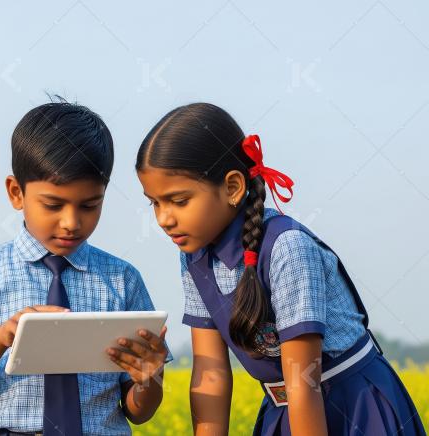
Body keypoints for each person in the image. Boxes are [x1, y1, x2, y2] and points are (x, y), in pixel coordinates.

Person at [135, 102, 425, 435]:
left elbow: (304, 382)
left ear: (232, 187)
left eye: (179, 200)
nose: (163, 219)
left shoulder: (287, 247)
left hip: (354, 407)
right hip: (286, 408)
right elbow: (211, 374)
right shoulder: (193, 255)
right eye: (154, 202)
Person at [0, 99, 173, 435]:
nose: (71, 222)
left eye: (89, 205)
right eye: (53, 205)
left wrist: (148, 379)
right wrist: (1, 338)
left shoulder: (122, 280)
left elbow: (138, 412)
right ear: (16, 192)